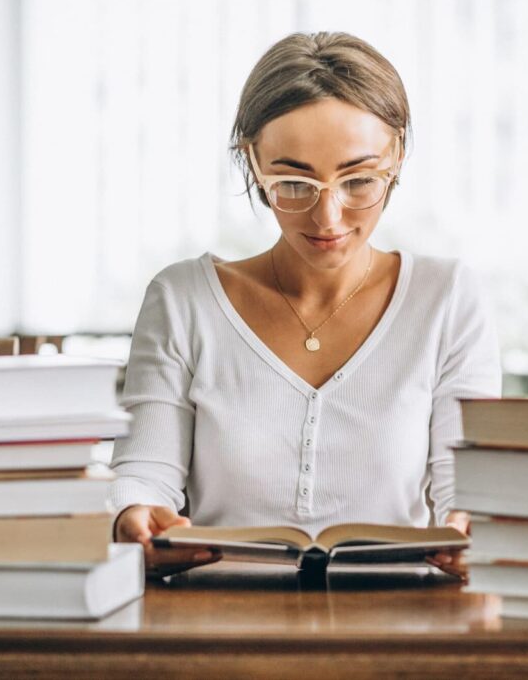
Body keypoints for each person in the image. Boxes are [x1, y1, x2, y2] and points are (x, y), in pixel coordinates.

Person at [110, 31, 501, 578]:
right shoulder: (183, 301)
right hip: (215, 625)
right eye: (293, 183)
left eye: (359, 180)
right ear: (252, 159)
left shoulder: (448, 299)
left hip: (403, 627)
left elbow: (468, 489)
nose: (328, 219)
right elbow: (142, 474)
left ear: (398, 157)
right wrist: (134, 517)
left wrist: (474, 528)